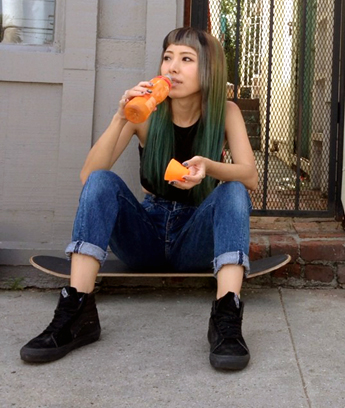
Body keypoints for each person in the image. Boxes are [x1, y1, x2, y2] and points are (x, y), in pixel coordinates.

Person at [20, 27, 258, 370]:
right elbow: (89, 177)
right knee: (102, 181)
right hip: (145, 235)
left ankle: (227, 318)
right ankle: (77, 311)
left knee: (233, 190)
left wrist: (209, 166)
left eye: (186, 59)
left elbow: (250, 176)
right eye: (167, 57)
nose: (172, 67)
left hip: (195, 237)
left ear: (210, 69)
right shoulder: (146, 112)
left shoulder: (226, 113)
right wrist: (121, 117)